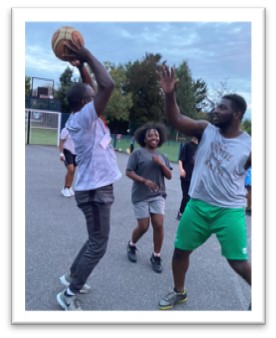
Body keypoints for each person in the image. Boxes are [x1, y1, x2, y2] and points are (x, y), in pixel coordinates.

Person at [157, 65, 251, 310]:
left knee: (238, 262)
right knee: (179, 253)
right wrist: (169, 95)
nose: (215, 110)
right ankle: (179, 292)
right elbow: (175, 119)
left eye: (222, 108)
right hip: (197, 205)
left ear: (237, 114)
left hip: (228, 210)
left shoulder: (249, 145)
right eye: (216, 106)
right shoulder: (205, 130)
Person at [56, 39, 122, 311]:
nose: (96, 97)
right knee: (99, 244)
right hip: (94, 190)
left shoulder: (83, 116)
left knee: (94, 239)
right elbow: (107, 85)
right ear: (85, 102)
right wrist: (87, 53)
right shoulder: (84, 117)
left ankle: (72, 276)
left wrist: (83, 66)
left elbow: (93, 89)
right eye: (90, 97)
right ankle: (68, 294)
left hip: (95, 187)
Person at [126, 122, 172, 273]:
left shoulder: (163, 156)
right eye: (150, 135)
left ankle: (156, 256)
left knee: (158, 224)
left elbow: (169, 175)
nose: (154, 137)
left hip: (158, 195)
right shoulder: (137, 153)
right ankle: (132, 244)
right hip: (140, 195)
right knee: (144, 226)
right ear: (144, 139)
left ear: (160, 138)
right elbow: (129, 172)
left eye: (156, 135)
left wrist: (161, 164)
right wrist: (144, 181)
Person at [176, 136, 198, 220]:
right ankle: (181, 212)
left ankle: (189, 214)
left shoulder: (201, 147)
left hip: (195, 177)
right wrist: (181, 169)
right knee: (186, 196)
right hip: (186, 176)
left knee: (193, 197)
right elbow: (180, 159)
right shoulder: (188, 145)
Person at [59, 127, 77, 197]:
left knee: (73, 171)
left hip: (76, 152)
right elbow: (61, 142)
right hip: (67, 151)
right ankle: (65, 188)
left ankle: (69, 187)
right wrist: (61, 153)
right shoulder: (66, 129)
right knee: (71, 169)